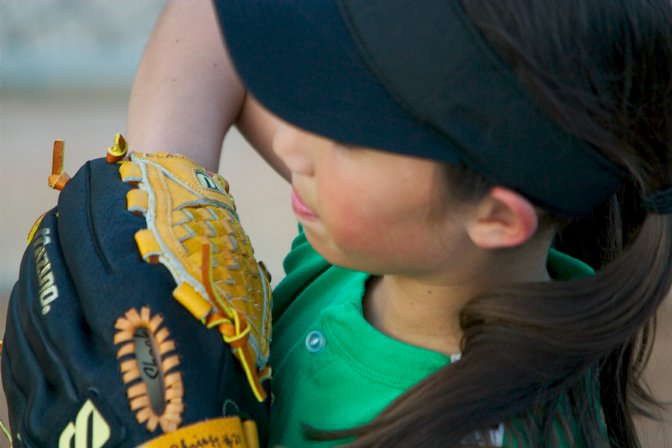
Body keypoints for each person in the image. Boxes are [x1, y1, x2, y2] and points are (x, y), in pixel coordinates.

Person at [126, 0, 672, 446]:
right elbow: (210, 19)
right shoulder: (387, 257)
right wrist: (157, 211)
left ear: (498, 217)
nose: (291, 144)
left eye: (349, 135)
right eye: (325, 100)